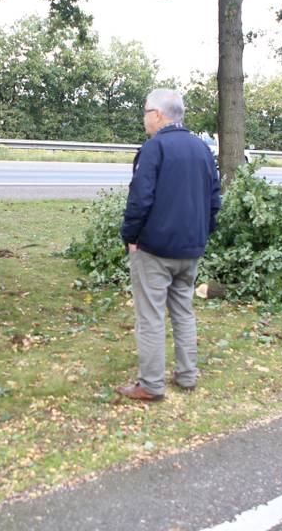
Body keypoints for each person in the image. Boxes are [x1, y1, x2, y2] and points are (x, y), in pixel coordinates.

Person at [117, 88, 221, 402]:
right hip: (190, 249)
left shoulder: (154, 149)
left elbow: (139, 200)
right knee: (183, 312)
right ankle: (187, 377)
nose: (144, 118)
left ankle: (150, 385)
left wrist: (130, 237)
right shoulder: (202, 149)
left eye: (146, 112)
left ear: (159, 115)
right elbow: (214, 201)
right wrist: (202, 234)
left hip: (154, 250)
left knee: (150, 316)